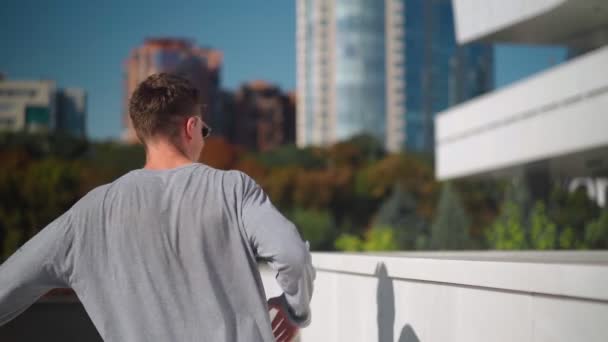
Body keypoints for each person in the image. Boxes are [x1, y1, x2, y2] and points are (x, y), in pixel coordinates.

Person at [0, 73, 315, 342]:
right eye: (204, 131)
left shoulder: (89, 214)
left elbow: (7, 285)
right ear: (191, 127)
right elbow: (292, 256)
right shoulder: (233, 189)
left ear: (141, 134)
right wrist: (294, 310)